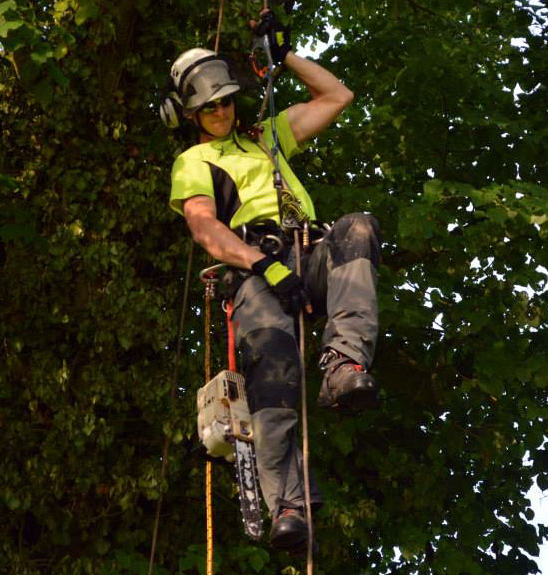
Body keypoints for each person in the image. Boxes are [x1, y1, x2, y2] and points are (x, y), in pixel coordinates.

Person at [164, 13, 381, 552]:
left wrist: (282, 54)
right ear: (188, 114)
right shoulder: (195, 160)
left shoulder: (267, 135)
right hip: (254, 267)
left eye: (225, 101)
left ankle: (343, 365)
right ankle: (288, 502)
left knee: (356, 229)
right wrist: (260, 265)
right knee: (274, 374)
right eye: (207, 107)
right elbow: (204, 227)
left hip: (307, 250)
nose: (220, 112)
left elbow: (336, 96)